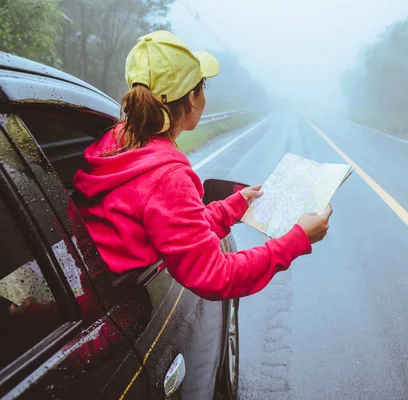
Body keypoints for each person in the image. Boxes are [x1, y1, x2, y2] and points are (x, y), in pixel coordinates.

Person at [73, 30, 332, 301]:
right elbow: (215, 275)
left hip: (88, 291)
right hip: (112, 307)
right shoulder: (167, 177)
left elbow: (168, 227)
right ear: (191, 99)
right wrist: (297, 239)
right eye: (201, 88)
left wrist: (231, 208)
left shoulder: (116, 140)